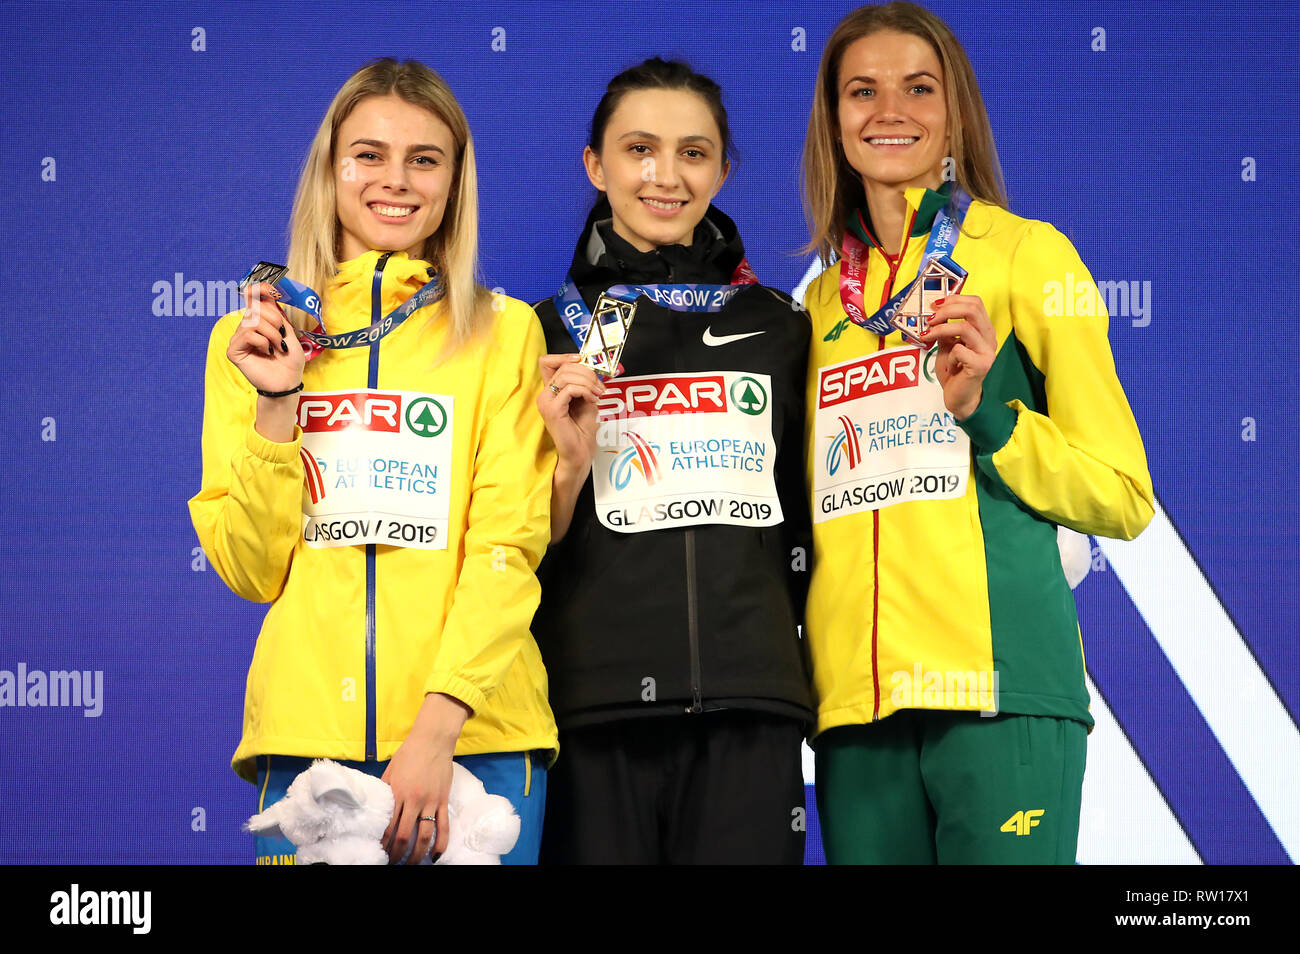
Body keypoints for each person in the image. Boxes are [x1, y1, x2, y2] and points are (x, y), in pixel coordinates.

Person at [799, 2, 1154, 864]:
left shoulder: (1028, 256)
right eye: (862, 91)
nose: (890, 111)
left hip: (1001, 692)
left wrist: (989, 415)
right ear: (834, 121)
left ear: (955, 113)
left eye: (919, 89)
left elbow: (1123, 493)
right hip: (857, 714)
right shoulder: (815, 305)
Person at [188, 58, 557, 865]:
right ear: (330, 169)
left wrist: (435, 731)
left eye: (425, 158)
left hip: (479, 738)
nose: (396, 180)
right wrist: (279, 404)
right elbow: (250, 568)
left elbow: (507, 547)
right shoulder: (247, 341)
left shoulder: (506, 331)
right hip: (308, 744)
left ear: (455, 181)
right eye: (369, 154)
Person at [531, 58, 814, 865]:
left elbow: (809, 512)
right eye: (639, 149)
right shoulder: (540, 334)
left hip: (751, 707)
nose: (666, 175)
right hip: (590, 708)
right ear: (596, 165)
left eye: (694, 153)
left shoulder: (783, 327)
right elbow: (510, 540)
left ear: (723, 169)